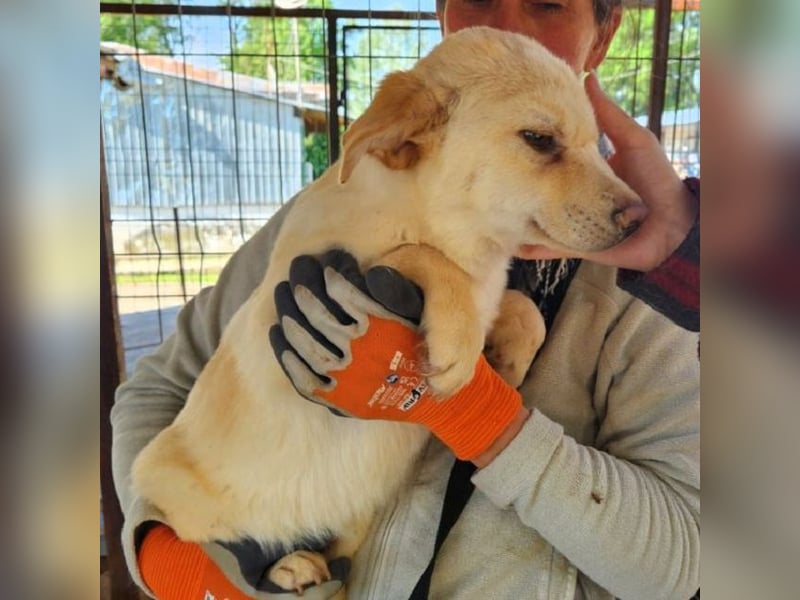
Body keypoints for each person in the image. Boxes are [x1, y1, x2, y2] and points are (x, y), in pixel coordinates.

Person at [111, 0, 700, 598]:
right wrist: (178, 563)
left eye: (547, 3)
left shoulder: (666, 284)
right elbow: (156, 388)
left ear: (602, 37)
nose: (503, 28)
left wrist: (479, 417)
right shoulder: (334, 204)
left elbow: (685, 563)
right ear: (444, 14)